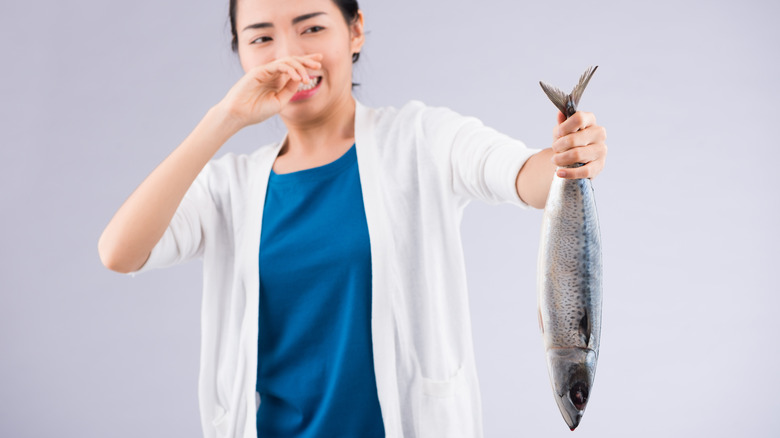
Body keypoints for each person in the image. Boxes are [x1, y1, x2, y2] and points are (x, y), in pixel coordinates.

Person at [98, 0, 608, 436]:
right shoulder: (227, 188)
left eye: (312, 27)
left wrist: (568, 157)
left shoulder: (420, 140)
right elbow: (119, 252)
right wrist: (223, 119)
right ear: (239, 51)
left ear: (356, 30)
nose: (289, 55)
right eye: (260, 38)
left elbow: (525, 176)